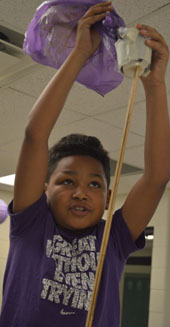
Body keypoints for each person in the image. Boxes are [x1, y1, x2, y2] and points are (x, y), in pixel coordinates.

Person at [0, 2, 170, 327]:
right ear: (43, 188)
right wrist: (78, 54)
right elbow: (36, 135)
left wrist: (155, 85)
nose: (81, 192)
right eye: (66, 181)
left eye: (95, 184)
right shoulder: (31, 223)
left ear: (108, 199)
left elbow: (157, 177)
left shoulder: (114, 239)